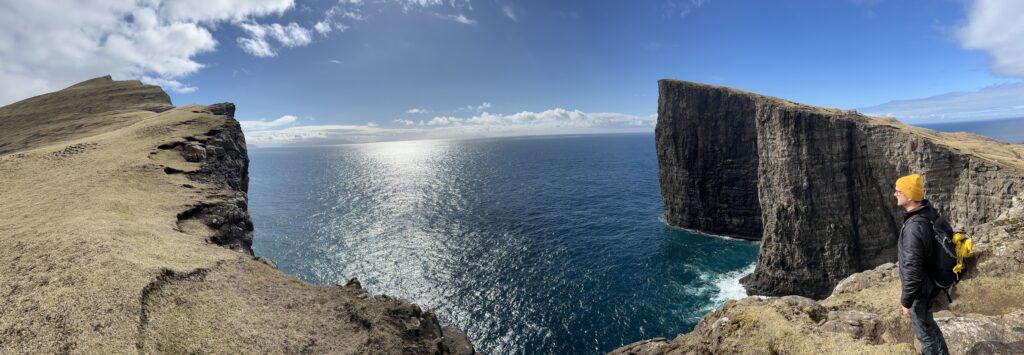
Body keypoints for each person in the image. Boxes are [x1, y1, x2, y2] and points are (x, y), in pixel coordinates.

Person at [894, 173, 950, 355]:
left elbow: (912, 270)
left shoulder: (913, 227)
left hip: (921, 290)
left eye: (898, 191)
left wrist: (906, 301)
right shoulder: (928, 213)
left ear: (909, 196)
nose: (895, 194)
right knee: (929, 327)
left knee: (925, 336)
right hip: (930, 284)